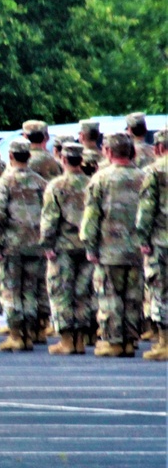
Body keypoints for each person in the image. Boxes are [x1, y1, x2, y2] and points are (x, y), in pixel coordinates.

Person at [81, 132, 146, 357]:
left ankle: (114, 340)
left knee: (110, 297)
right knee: (133, 297)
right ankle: (129, 340)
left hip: (109, 250)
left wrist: (90, 246)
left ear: (108, 152)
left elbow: (91, 217)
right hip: (137, 249)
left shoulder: (100, 179)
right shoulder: (143, 177)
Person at [0, 138, 48, 352]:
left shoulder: (4, 183)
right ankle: (29, 334)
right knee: (31, 291)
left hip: (11, 245)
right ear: (29, 156)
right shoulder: (41, 183)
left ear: (11, 156)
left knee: (12, 290)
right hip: (35, 244)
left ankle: (16, 335)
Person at [39, 142, 93, 355]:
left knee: (61, 291)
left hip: (62, 246)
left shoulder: (56, 186)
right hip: (86, 246)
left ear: (62, 159)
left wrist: (47, 244)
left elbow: (50, 219)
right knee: (82, 293)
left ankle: (67, 340)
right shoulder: (91, 183)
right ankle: (80, 339)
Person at [136, 129, 168, 361]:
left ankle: (165, 342)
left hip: (161, 240)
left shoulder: (154, 171)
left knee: (160, 290)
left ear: (157, 148)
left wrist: (143, 238)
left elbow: (146, 210)